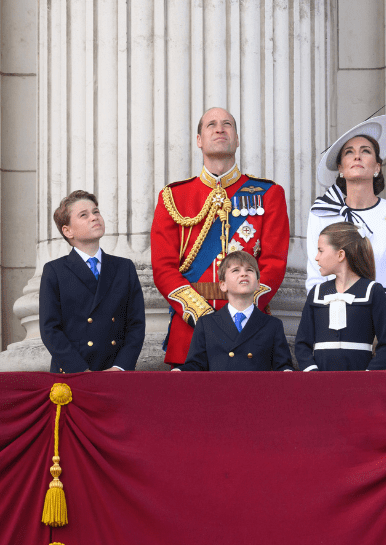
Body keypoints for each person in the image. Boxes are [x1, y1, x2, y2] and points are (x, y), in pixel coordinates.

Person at [151, 107, 290, 367]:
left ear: (237, 139)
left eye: (227, 124)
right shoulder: (173, 197)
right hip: (191, 329)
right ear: (199, 140)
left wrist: (243, 308)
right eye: (211, 124)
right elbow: (163, 267)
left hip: (249, 330)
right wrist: (202, 315)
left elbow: (274, 261)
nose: (219, 128)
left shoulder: (269, 193)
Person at [306, 115, 386, 370]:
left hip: (384, 331)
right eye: (349, 152)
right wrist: (329, 326)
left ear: (377, 166)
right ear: (341, 168)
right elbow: (314, 279)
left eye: (365, 151)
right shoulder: (321, 214)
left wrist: (385, 329)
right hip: (333, 332)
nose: (357, 156)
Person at [40, 190, 146, 373]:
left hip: (115, 374)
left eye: (96, 212)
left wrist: (120, 367)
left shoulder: (124, 268)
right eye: (84, 215)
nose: (94, 217)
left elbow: (136, 325)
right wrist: (79, 370)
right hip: (73, 374)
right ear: (68, 230)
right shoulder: (54, 271)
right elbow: (50, 329)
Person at [295, 222, 386, 371]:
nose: (316, 257)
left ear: (341, 254)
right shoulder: (317, 293)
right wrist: (312, 372)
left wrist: (369, 376)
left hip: (360, 384)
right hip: (320, 382)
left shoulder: (373, 291)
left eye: (321, 251)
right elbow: (302, 344)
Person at [177, 252, 293, 371]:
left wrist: (287, 371)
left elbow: (283, 366)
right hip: (219, 388)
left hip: (256, 389)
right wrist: (180, 371)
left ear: (258, 284)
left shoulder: (272, 325)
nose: (243, 274)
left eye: (249, 270)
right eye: (236, 270)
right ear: (223, 285)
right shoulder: (206, 324)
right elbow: (196, 365)